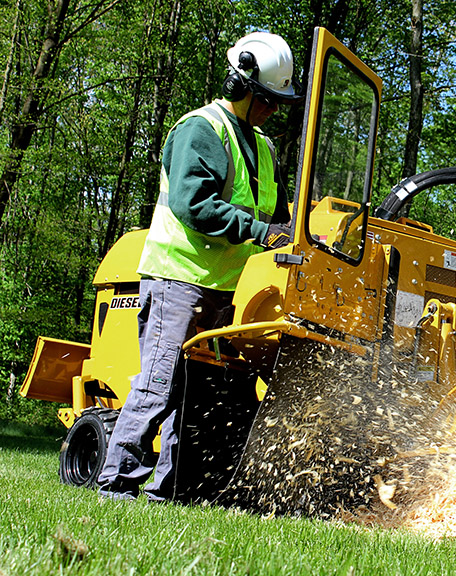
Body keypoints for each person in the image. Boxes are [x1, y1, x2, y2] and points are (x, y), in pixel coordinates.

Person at [98, 32, 299, 502]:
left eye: (278, 102)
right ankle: (116, 482)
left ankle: (171, 489)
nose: (272, 109)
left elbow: (280, 217)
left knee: (197, 395)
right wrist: (257, 231)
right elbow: (194, 204)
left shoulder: (264, 149)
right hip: (179, 279)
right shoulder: (200, 129)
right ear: (240, 84)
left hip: (230, 289)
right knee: (158, 384)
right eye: (266, 99)